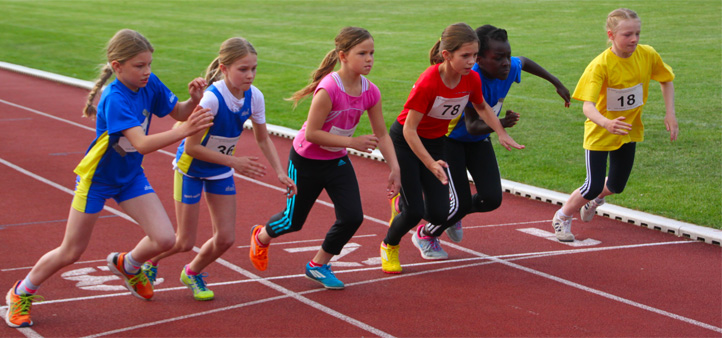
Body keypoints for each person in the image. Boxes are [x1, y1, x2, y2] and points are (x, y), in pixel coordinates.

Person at [4, 29, 214, 327]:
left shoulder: (149, 83)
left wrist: (193, 101)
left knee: (165, 238)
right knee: (71, 251)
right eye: (139, 66)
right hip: (97, 180)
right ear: (117, 66)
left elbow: (178, 112)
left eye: (149, 64)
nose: (147, 71)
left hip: (129, 176)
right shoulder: (114, 99)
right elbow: (141, 143)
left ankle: (128, 265)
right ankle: (20, 292)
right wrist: (183, 131)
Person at [138, 37, 296, 301]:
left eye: (254, 69)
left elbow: (262, 137)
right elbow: (191, 148)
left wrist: (281, 172)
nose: (250, 75)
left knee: (225, 238)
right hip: (191, 168)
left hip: (219, 170)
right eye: (243, 69)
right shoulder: (211, 98)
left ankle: (192, 272)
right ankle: (148, 262)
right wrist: (234, 162)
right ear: (224, 69)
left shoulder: (255, 97)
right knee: (183, 241)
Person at [248, 27, 400, 289]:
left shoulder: (371, 91)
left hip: (336, 161)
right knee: (292, 222)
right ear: (343, 55)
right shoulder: (329, 88)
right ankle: (261, 236)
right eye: (362, 53)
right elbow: (314, 134)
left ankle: (318, 265)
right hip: (305, 160)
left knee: (353, 217)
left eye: (372, 53)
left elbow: (382, 134)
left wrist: (395, 167)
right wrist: (352, 142)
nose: (369, 59)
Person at [381, 23, 523, 274]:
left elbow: (481, 108)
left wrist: (501, 132)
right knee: (414, 212)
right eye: (465, 56)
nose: (471, 62)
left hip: (435, 143)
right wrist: (430, 163)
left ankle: (404, 204)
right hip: (407, 142)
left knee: (439, 213)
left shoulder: (472, 78)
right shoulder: (429, 82)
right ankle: (389, 245)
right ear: (447, 55)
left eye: (474, 56)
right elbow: (409, 130)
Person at [433, 24, 571, 243]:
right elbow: (472, 126)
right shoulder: (470, 78)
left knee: (491, 199)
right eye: (498, 58)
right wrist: (501, 123)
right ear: (478, 59)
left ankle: (456, 212)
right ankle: (426, 233)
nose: (506, 62)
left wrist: (556, 83)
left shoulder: (508, 68)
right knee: (457, 202)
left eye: (507, 55)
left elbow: (523, 61)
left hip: (479, 140)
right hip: (451, 142)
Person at [551, 8, 677, 242]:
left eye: (638, 33)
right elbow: (587, 107)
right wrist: (607, 123)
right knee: (592, 185)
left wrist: (670, 114)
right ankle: (562, 216)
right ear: (611, 35)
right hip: (600, 132)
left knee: (617, 185)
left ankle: (597, 200)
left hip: (628, 130)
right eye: (627, 34)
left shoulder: (647, 54)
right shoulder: (600, 65)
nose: (634, 39)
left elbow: (666, 79)